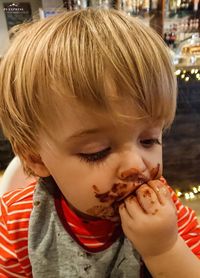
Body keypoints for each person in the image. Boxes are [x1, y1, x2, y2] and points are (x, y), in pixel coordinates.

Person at [0, 8, 199, 278]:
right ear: (36, 158)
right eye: (97, 152)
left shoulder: (165, 211)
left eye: (149, 140)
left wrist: (164, 249)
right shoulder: (17, 222)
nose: (135, 166)